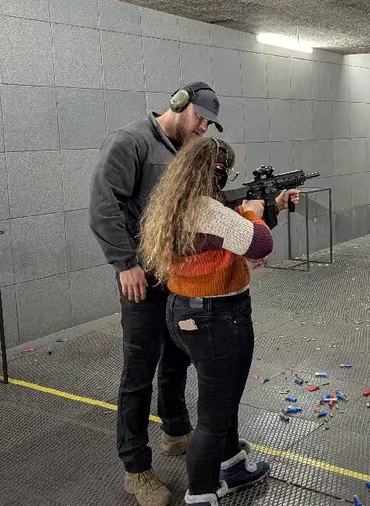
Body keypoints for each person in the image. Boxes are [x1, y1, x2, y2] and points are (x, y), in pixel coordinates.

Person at [88, 81, 223, 506]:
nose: (203, 127)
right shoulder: (131, 142)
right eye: (200, 118)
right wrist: (124, 263)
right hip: (141, 276)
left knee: (178, 355)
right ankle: (136, 469)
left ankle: (175, 430)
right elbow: (104, 205)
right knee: (139, 370)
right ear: (179, 106)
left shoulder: (184, 150)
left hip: (177, 274)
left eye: (208, 123)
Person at [137, 137, 285, 506]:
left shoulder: (174, 203)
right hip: (217, 318)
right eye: (226, 172)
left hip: (183, 310)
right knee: (214, 415)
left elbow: (228, 244)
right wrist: (252, 211)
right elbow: (261, 244)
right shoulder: (208, 209)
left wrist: (271, 207)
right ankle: (202, 494)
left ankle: (232, 466)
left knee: (224, 397)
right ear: (216, 173)